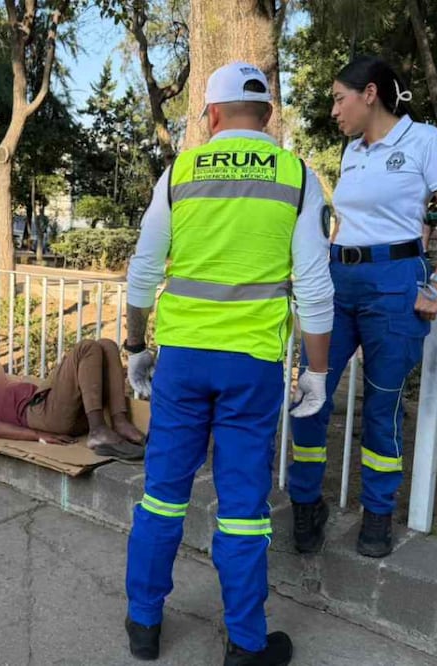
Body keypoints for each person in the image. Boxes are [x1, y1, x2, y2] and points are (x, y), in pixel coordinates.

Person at [122, 61, 334, 666]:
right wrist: (315, 372)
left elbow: (143, 270)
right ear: (268, 114)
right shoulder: (296, 176)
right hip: (251, 367)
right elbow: (315, 289)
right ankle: (245, 644)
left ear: (210, 115)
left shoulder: (179, 172)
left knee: (162, 496)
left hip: (183, 363)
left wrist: (138, 348)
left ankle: (144, 625)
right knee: (243, 506)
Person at [289, 56, 437, 561]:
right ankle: (305, 504)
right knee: (311, 392)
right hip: (337, 279)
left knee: (382, 404)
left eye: (338, 97)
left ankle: (377, 515)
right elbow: (349, 221)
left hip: (395, 283)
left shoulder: (424, 141)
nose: (334, 109)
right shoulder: (352, 151)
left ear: (369, 93)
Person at [0, 339, 145, 460]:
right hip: (41, 414)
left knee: (107, 345)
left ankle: (120, 422)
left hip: (69, 413)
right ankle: (98, 431)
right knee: (85, 348)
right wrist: (38, 435)